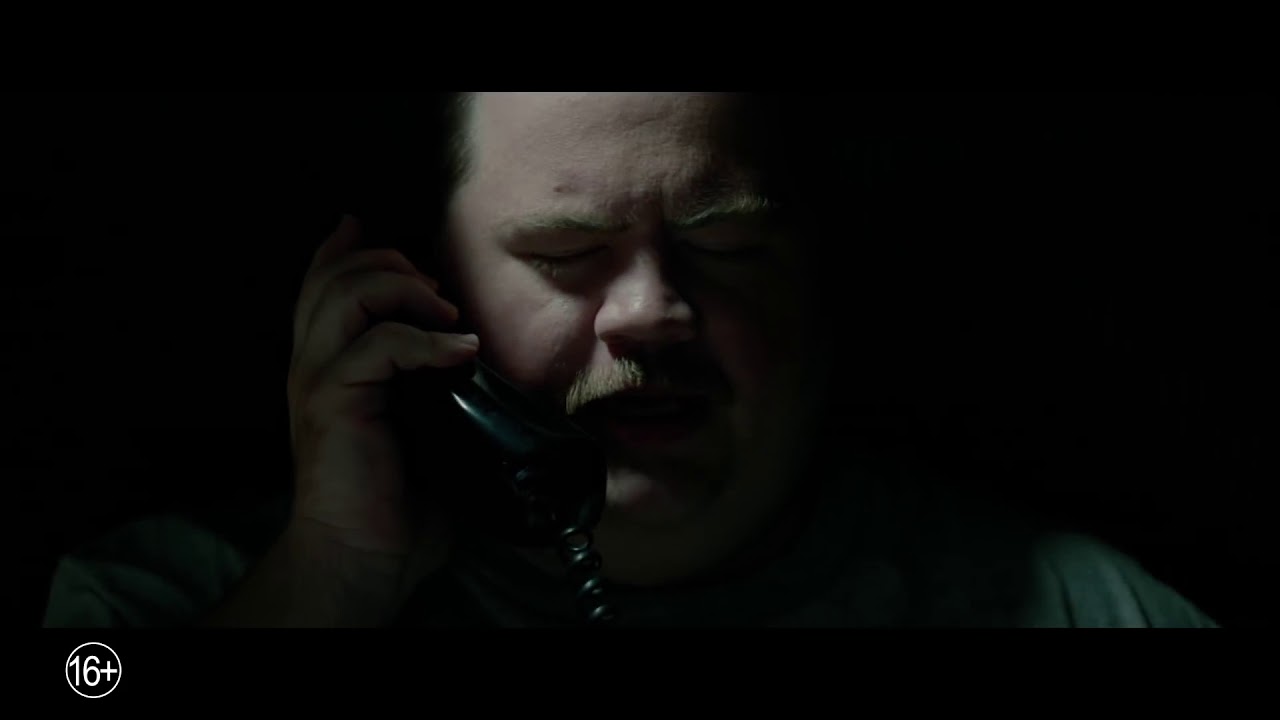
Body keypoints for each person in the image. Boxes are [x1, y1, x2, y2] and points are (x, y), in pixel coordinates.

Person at [42, 92, 1218, 628]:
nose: (651, 311)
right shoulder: (143, 610)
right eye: (565, 254)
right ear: (417, 287)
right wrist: (328, 584)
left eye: (726, 246)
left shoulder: (1090, 609)